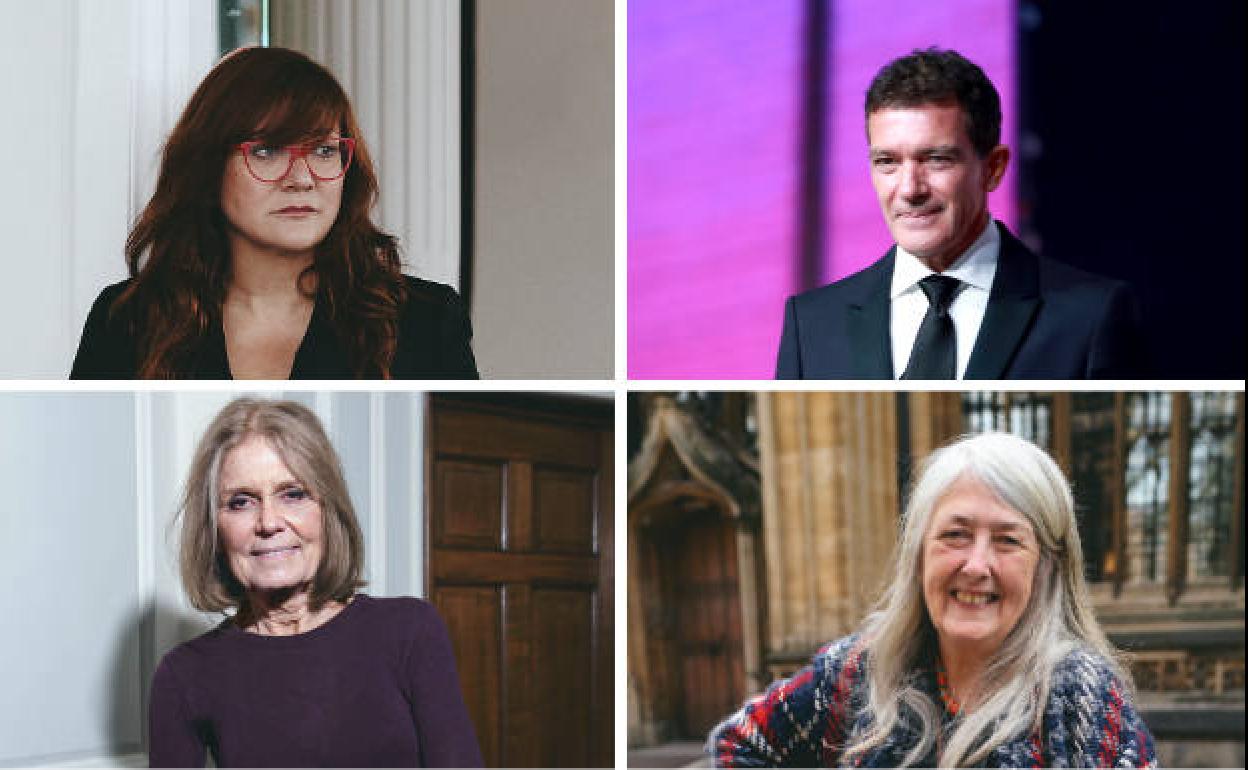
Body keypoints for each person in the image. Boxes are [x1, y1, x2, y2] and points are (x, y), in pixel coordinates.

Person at [708, 432, 1157, 767]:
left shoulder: (1082, 699)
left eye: (1007, 541)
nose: (977, 565)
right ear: (919, 553)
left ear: (1046, 566)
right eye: (955, 535)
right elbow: (740, 743)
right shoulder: (857, 672)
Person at [70, 47, 478, 379]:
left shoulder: (428, 322)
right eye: (266, 151)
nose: (301, 179)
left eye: (323, 151)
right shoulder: (127, 322)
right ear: (208, 169)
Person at [149, 398, 483, 767]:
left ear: (328, 511)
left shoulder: (409, 631)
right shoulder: (185, 675)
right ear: (213, 526)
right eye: (241, 501)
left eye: (293, 494)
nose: (268, 522)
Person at [775, 48, 1144, 379]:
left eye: (936, 160)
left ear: (994, 168)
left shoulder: (1090, 316)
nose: (909, 189)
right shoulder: (810, 325)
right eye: (887, 162)